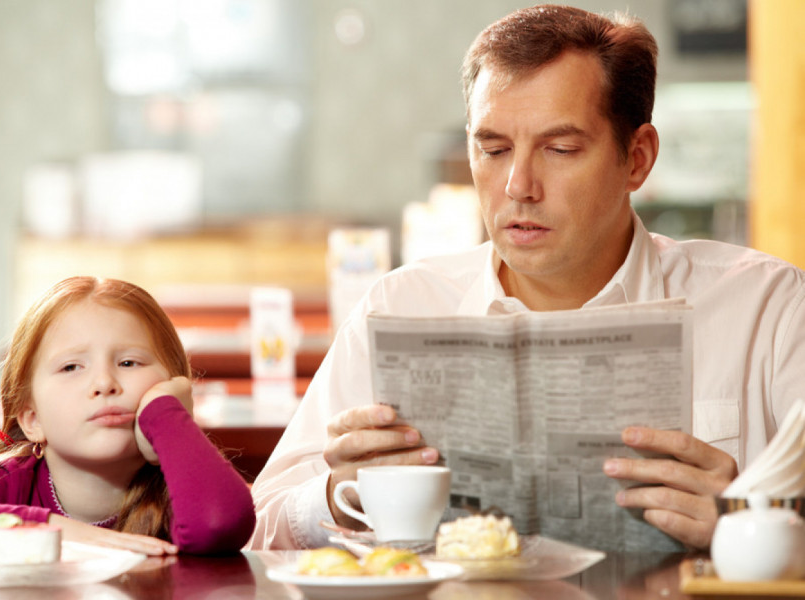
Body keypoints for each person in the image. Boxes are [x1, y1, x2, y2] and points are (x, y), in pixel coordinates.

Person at [248, 4, 805, 551]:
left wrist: (747, 521)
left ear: (637, 157)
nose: (518, 185)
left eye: (560, 149)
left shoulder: (767, 307)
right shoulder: (402, 304)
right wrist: (337, 492)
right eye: (492, 149)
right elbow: (256, 529)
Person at [0, 276, 255, 554]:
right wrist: (53, 530)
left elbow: (219, 523)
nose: (104, 382)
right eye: (72, 367)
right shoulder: (10, 485)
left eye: (129, 362)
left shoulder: (181, 487)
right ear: (32, 419)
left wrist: (165, 415)